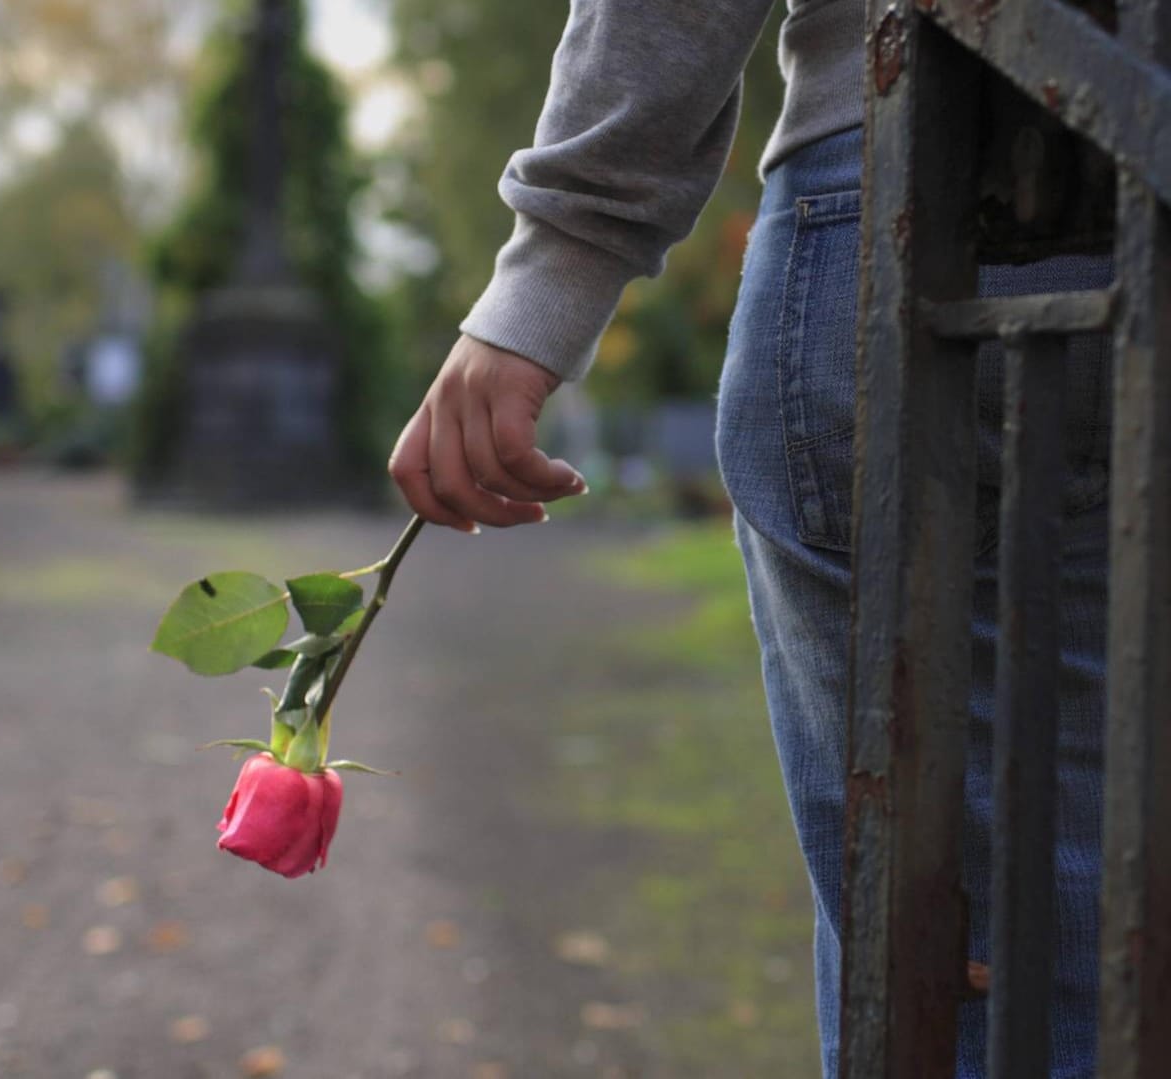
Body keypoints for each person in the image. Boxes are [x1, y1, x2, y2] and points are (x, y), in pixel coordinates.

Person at [387, 2, 1112, 1076]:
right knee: (1080, 938)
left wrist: (552, 269)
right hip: (1109, 183)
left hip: (909, 195)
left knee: (959, 969)